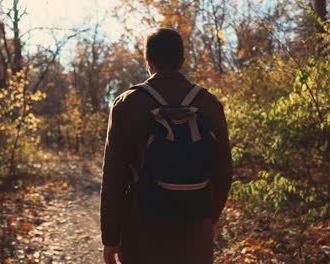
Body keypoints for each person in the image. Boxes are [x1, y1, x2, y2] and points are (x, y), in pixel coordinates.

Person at [100, 28, 233, 264]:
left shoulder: (127, 104)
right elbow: (223, 170)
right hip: (195, 227)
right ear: (182, 61)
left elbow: (114, 177)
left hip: (142, 230)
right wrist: (210, 218)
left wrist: (110, 238)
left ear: (148, 61)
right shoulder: (208, 104)